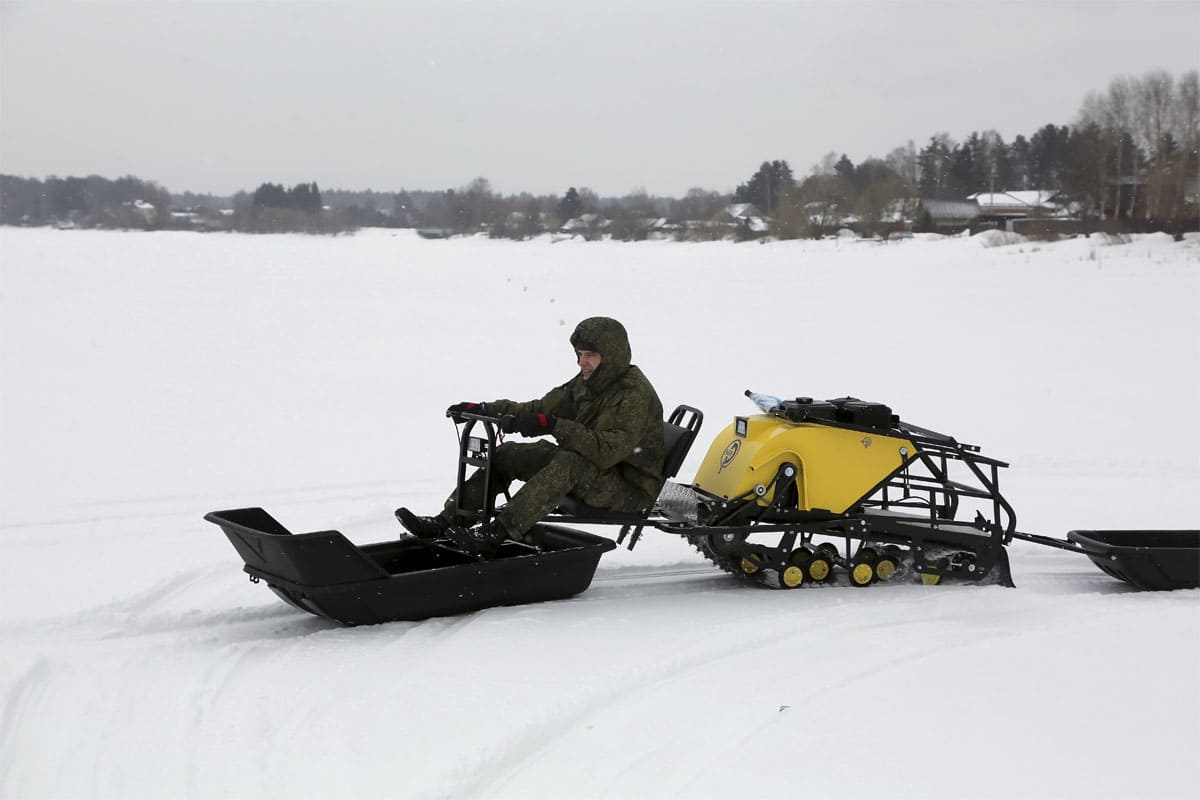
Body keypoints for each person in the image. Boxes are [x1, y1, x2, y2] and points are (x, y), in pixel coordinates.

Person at [397, 316, 665, 556]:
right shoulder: (590, 382)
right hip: (594, 471)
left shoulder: (634, 395)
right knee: (508, 453)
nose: (582, 362)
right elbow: (540, 408)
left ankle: (497, 533)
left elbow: (607, 452)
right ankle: (446, 521)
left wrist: (554, 425)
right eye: (580, 354)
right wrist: (485, 409)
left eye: (590, 355)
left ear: (611, 355)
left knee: (569, 464)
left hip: (629, 489)